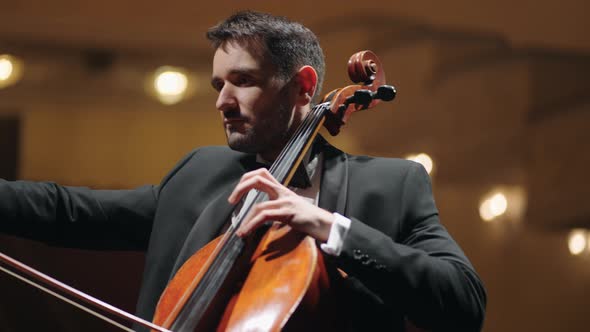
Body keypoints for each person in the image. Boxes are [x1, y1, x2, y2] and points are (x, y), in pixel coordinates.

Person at [0, 11, 486, 332]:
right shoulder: (199, 175)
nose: (222, 102)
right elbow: (68, 211)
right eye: (218, 84)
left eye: (243, 81)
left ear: (303, 87)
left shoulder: (391, 187)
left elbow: (463, 302)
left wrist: (327, 225)